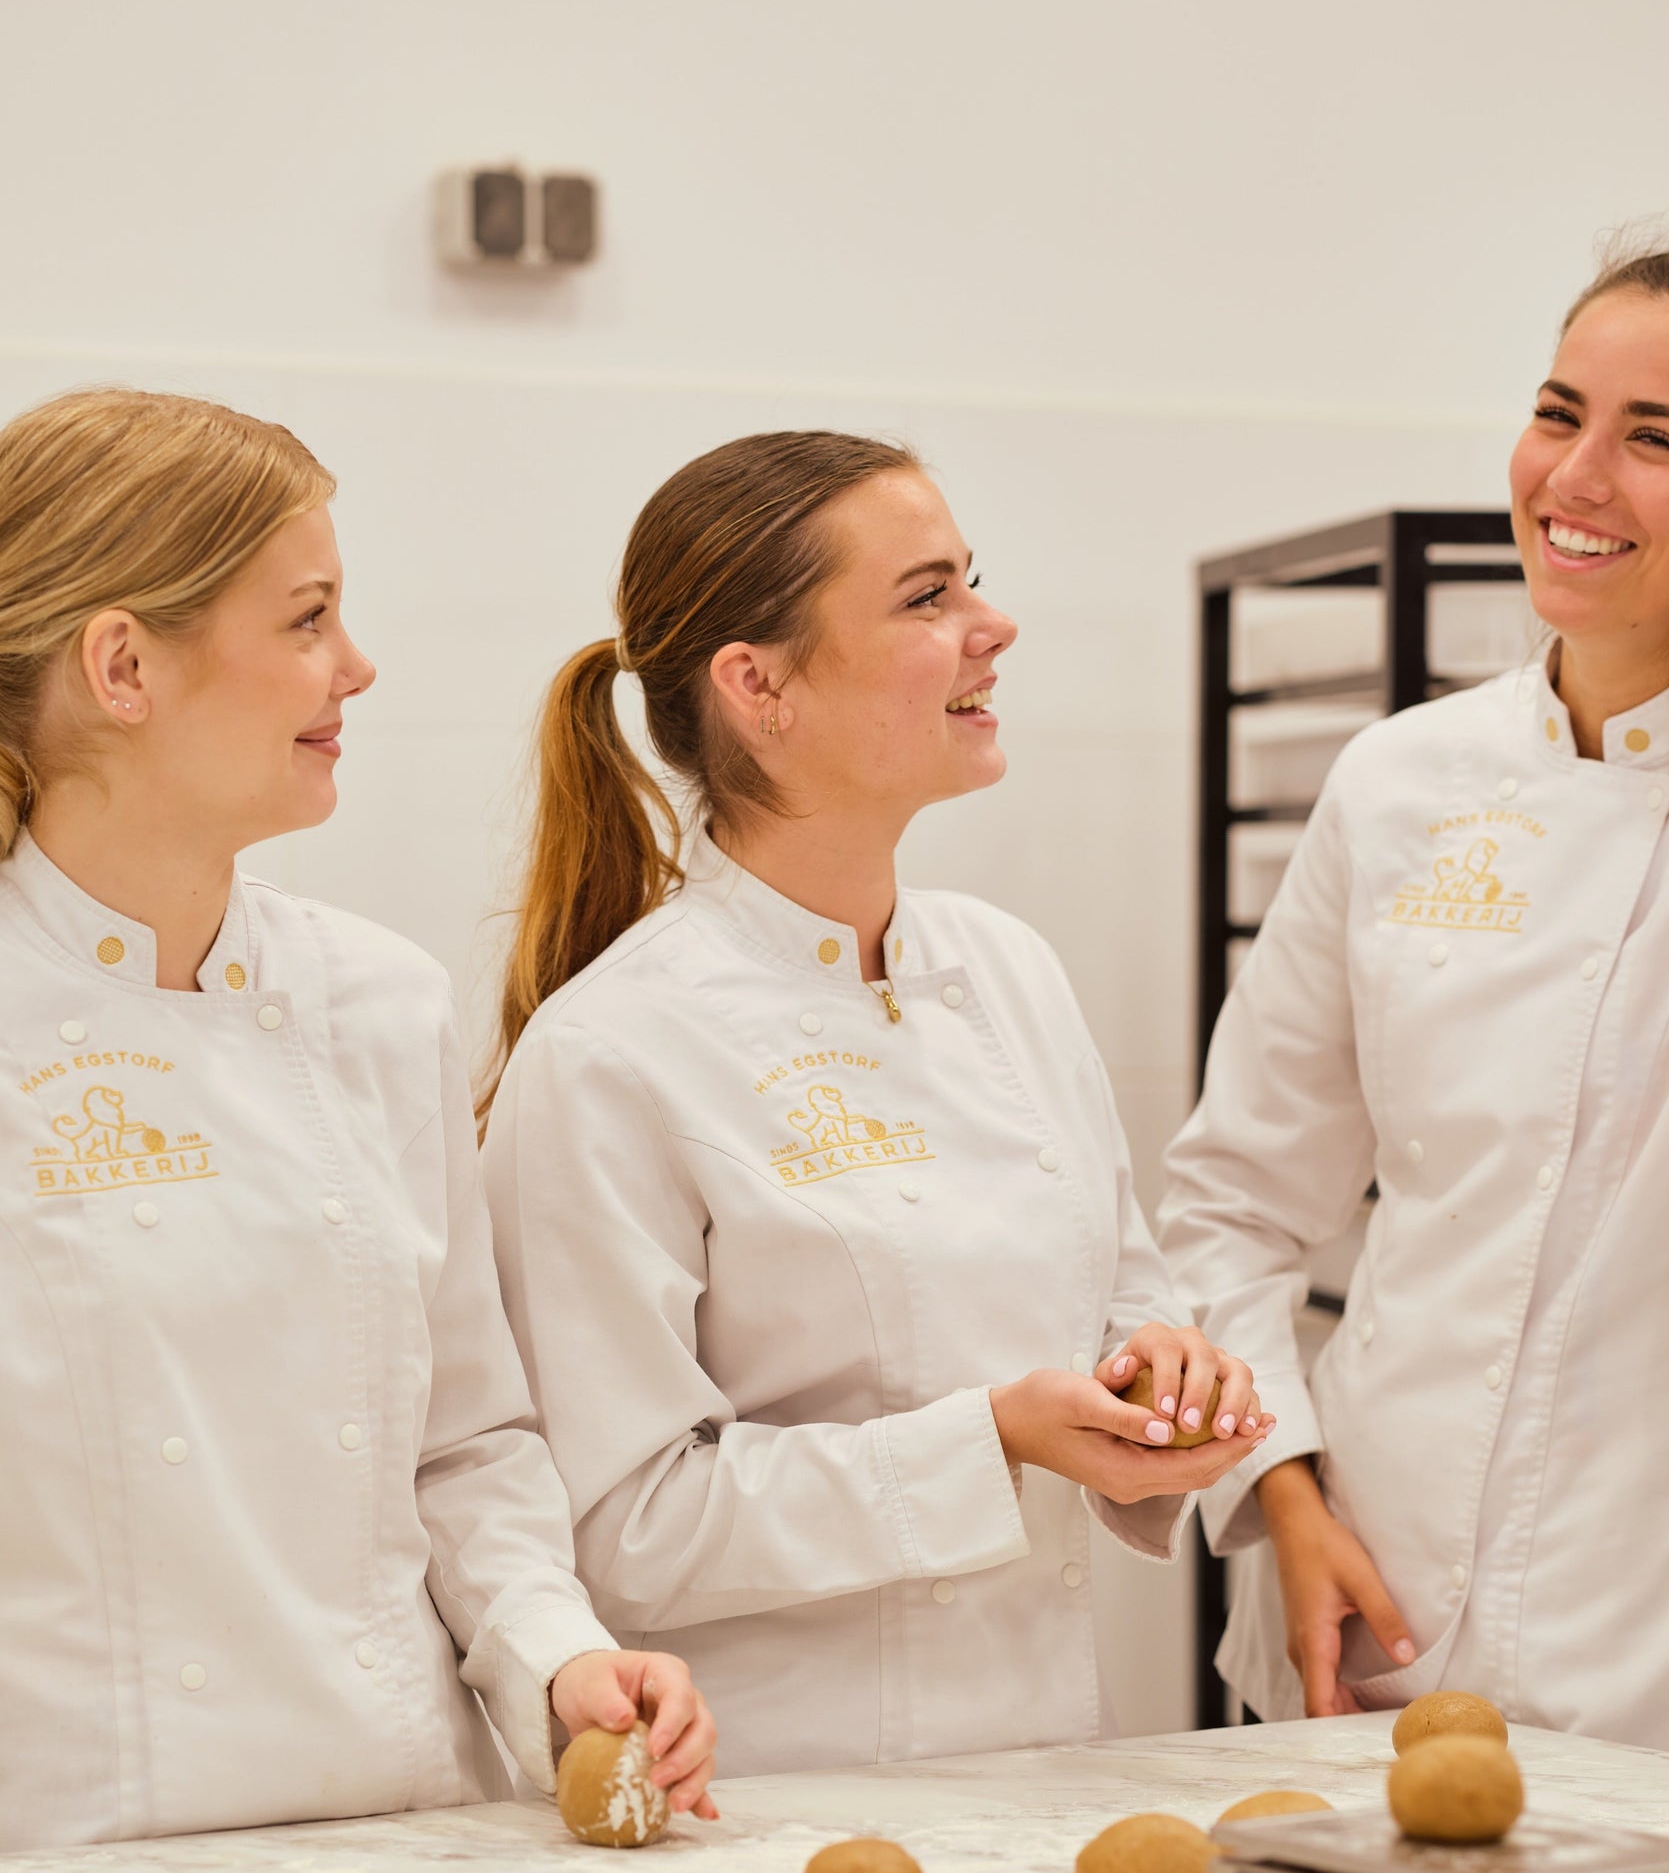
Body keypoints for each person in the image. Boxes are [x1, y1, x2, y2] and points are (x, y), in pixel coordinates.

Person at [0, 389, 714, 1863]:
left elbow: (465, 1443)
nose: (358, 665)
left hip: (413, 1856)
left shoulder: (377, 1002)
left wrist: (557, 1652)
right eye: (309, 617)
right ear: (122, 663)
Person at [1163, 241, 1669, 1804]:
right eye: (1560, 412)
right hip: (1352, 1615)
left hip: (1642, 1656)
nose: (1576, 475)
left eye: (1656, 437)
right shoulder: (1399, 780)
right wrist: (1279, 1491)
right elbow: (1235, 1196)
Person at [481, 431, 1269, 1775]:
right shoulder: (613, 1048)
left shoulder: (1007, 969)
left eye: (974, 581)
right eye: (927, 598)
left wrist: (1162, 1367)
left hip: (1046, 1767)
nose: (993, 626)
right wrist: (994, 1439)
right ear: (759, 684)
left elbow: (1124, 1289)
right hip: (776, 1800)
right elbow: (625, 1522)